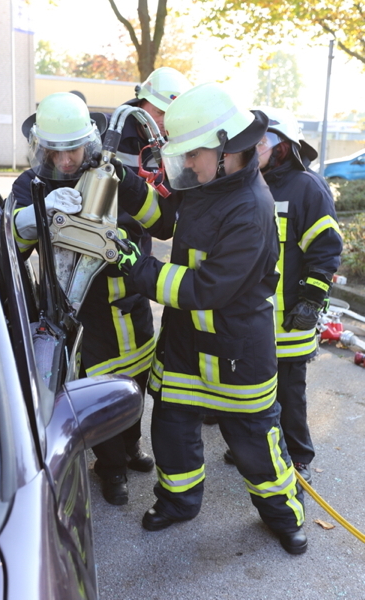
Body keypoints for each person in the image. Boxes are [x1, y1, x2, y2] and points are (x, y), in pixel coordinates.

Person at [110, 83, 307, 555]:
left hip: (235, 351)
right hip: (185, 345)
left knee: (256, 444)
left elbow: (205, 289)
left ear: (225, 149)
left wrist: (139, 268)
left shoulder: (250, 207)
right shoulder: (207, 184)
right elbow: (164, 220)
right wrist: (125, 182)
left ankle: (284, 514)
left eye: (192, 154)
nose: (187, 163)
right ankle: (178, 502)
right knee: (172, 430)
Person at [12, 91, 155, 506]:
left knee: (135, 383)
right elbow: (11, 249)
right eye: (54, 152)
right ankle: (110, 469)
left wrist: (127, 183)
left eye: (72, 150)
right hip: (78, 315)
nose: (64, 161)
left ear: (88, 142)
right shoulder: (31, 185)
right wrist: (35, 214)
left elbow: (159, 223)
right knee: (96, 394)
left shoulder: (110, 175)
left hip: (129, 306)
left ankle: (131, 446)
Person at [224, 106, 342, 484]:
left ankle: (297, 456)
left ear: (284, 146)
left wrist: (311, 302)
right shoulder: (245, 185)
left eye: (263, 141)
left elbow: (325, 249)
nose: (254, 149)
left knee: (289, 395)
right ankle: (253, 448)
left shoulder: (307, 187)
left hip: (289, 321)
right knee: (251, 392)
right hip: (250, 319)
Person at [115, 67, 192, 255]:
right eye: (159, 112)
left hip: (140, 249)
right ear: (141, 103)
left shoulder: (174, 151)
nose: (165, 122)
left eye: (171, 115)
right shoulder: (108, 135)